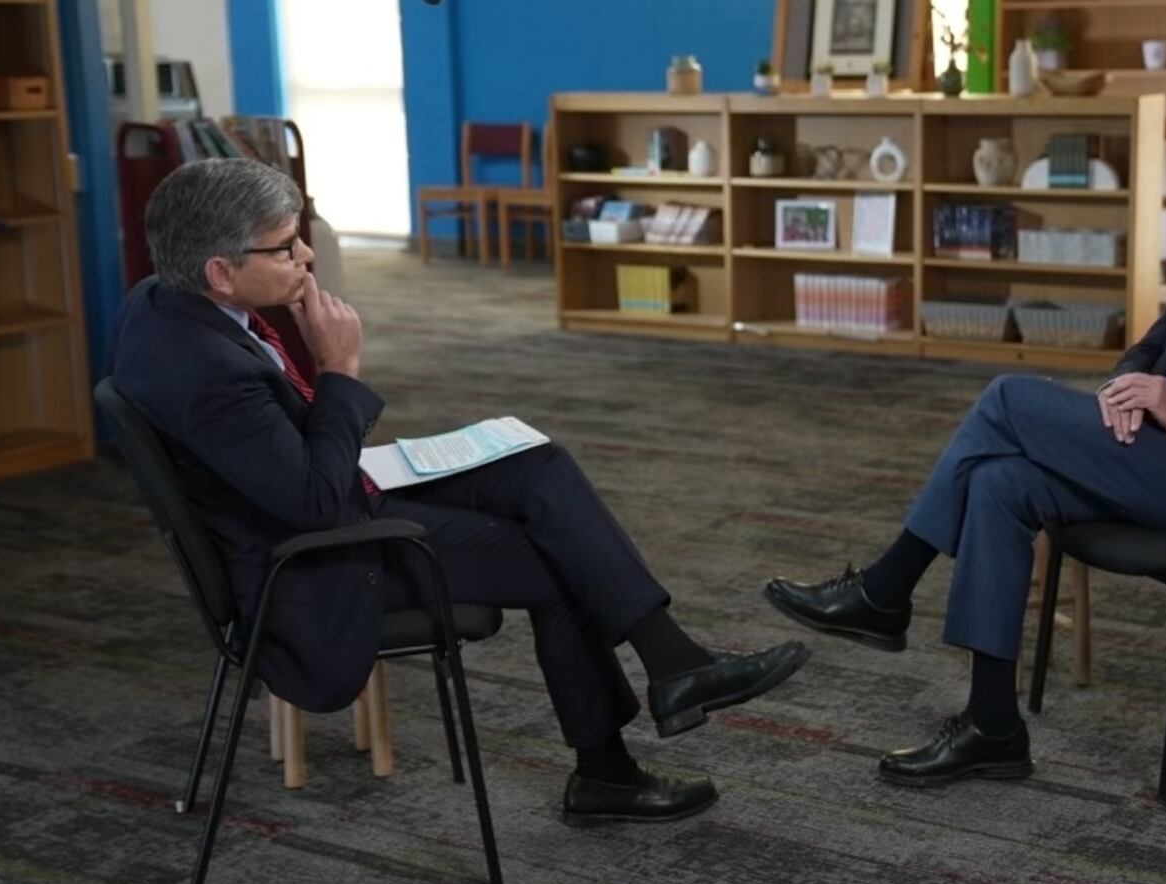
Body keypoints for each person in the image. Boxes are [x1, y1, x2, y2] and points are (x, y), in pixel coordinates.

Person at [111, 158, 809, 826]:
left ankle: (673, 662)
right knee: (560, 560)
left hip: (315, 503)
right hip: (315, 566)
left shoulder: (162, 301)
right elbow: (316, 505)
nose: (305, 258)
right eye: (284, 249)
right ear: (220, 273)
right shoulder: (210, 375)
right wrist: (339, 368)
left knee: (538, 463)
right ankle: (608, 771)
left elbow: (286, 467)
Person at [764, 71, 1166, 787]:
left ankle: (886, 592)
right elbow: (1159, 342)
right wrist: (1127, 388)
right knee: (1000, 481)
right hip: (1151, 449)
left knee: (1008, 397)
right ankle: (993, 726)